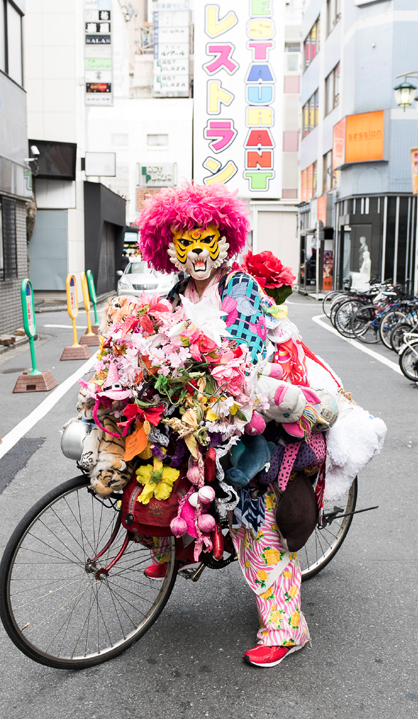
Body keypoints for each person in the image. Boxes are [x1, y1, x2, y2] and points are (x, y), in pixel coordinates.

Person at [137, 183, 314, 667]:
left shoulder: (240, 288)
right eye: (186, 241)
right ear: (167, 247)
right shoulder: (173, 294)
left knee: (256, 511)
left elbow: (247, 354)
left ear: (224, 240)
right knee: (155, 468)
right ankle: (175, 548)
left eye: (206, 239)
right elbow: (156, 343)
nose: (197, 251)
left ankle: (284, 627)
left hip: (246, 412)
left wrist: (211, 376)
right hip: (195, 407)